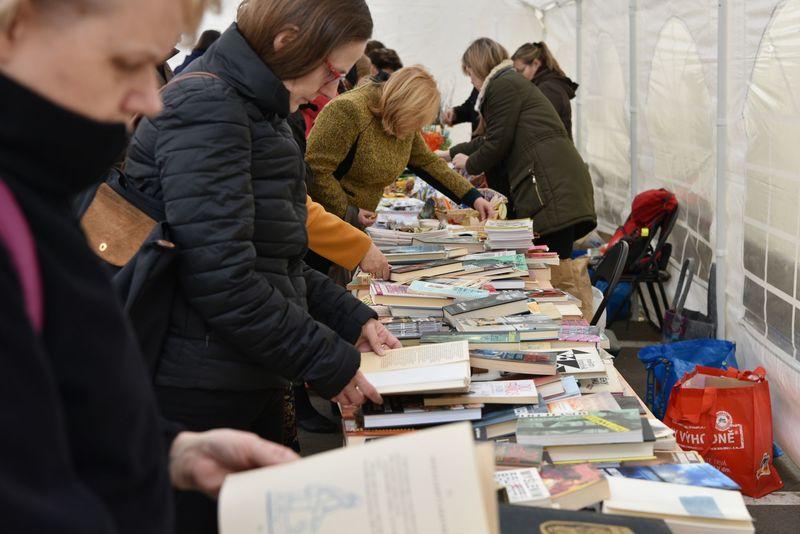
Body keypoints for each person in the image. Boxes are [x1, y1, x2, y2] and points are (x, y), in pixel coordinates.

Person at [0, 0, 302, 533]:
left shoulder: (38, 193)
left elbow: (54, 412)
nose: (150, 101)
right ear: (15, 28)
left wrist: (169, 451)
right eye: (124, 62)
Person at [124, 1, 401, 532]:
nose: (329, 91)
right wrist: (329, 360)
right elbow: (224, 278)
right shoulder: (209, 105)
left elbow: (278, 260)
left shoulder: (262, 111)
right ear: (286, 40)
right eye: (331, 72)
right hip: (199, 387)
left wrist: (353, 318)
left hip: (240, 367)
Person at [443, 38, 595, 259]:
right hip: (554, 186)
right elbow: (492, 138)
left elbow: (496, 145)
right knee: (549, 265)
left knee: (549, 268)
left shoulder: (502, 85)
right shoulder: (507, 82)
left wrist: (469, 163)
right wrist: (449, 153)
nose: (472, 82)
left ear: (478, 67)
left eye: (470, 75)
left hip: (550, 190)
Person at [306, 65, 494, 238]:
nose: (417, 128)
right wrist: (348, 210)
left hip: (353, 225)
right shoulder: (348, 110)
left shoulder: (403, 124)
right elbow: (315, 169)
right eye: (416, 121)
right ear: (404, 106)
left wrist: (473, 197)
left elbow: (427, 163)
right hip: (324, 224)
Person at [512, 42, 578, 138]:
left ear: (536, 63)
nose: (517, 76)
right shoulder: (541, 86)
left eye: (520, 71)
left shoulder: (550, 89)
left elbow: (539, 128)